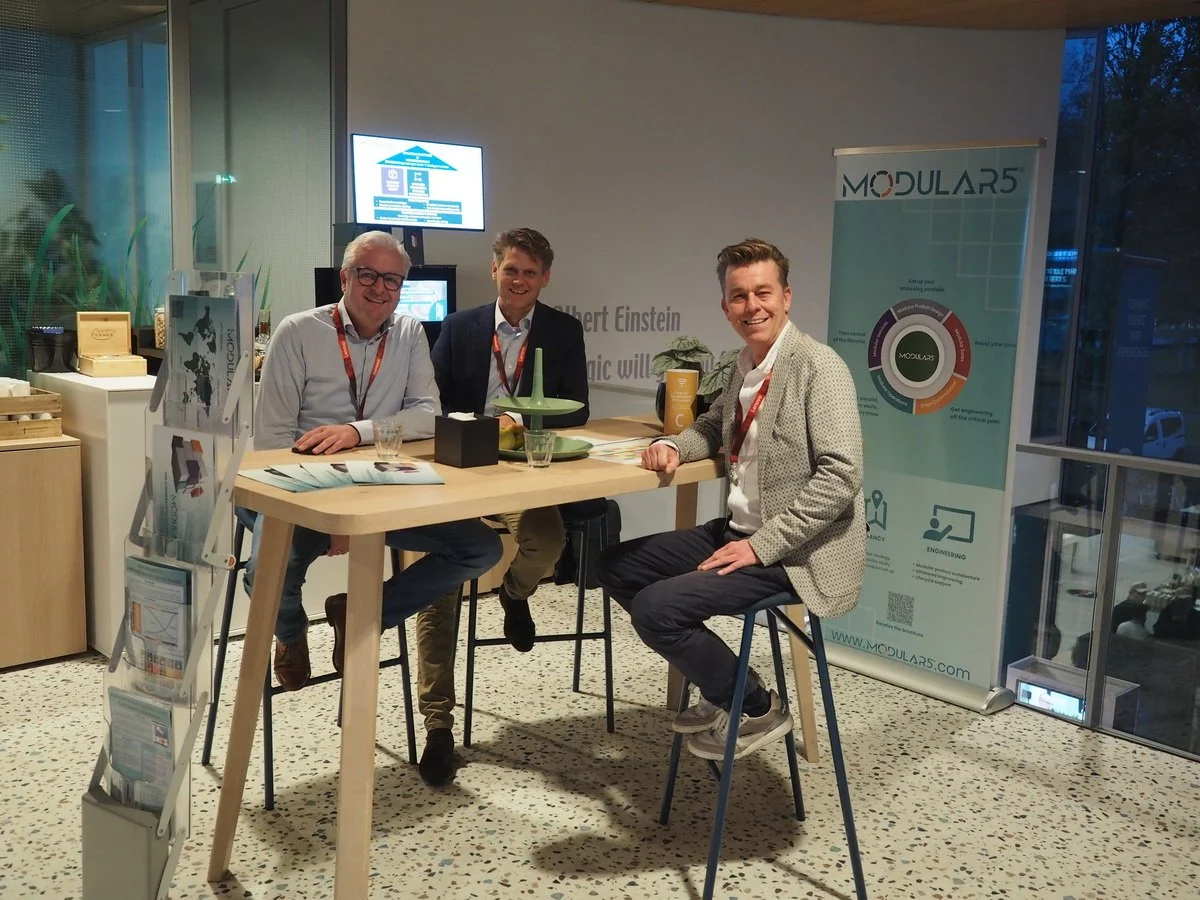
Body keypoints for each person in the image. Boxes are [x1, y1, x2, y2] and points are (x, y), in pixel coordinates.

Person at [245, 229, 503, 785]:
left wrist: (355, 431)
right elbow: (272, 442)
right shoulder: (298, 331)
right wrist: (336, 514)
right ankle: (290, 632)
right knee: (268, 568)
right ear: (345, 278)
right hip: (299, 485)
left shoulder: (408, 332)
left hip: (382, 488)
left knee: (480, 548)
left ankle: (362, 615)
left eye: (393, 280)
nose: (380, 288)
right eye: (368, 275)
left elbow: (426, 415)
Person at [597, 238, 867, 760]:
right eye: (739, 296)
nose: (752, 306)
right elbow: (711, 425)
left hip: (794, 553)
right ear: (726, 307)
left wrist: (760, 547)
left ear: (787, 297)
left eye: (763, 292)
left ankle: (756, 706)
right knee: (616, 566)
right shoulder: (746, 365)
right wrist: (673, 446)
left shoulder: (820, 367)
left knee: (656, 609)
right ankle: (724, 683)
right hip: (737, 532)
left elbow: (841, 477)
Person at [423, 227, 594, 779]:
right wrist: (476, 425)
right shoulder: (459, 326)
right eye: (511, 269)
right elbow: (432, 400)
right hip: (461, 469)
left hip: (522, 469)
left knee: (547, 539)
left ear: (546, 278)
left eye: (530, 272)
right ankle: (438, 725)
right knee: (441, 581)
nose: (519, 280)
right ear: (494, 269)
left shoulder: (564, 330)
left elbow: (578, 408)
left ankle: (514, 595)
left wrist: (521, 419)